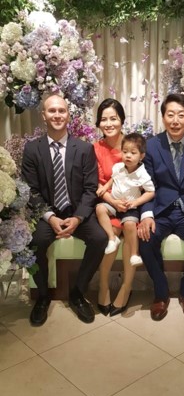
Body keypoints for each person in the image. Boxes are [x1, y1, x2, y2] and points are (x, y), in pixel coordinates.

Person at [22, 95, 108, 326]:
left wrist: (78, 218)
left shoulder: (84, 148)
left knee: (100, 238)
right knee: (33, 242)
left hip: (77, 212)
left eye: (62, 111)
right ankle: (43, 295)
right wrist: (49, 218)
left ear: (68, 114)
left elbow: (91, 189)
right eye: (52, 111)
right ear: (44, 115)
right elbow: (30, 190)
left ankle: (77, 293)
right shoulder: (32, 149)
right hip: (47, 213)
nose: (57, 115)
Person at [138, 93, 184, 321]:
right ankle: (160, 293)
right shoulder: (151, 146)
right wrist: (147, 214)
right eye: (170, 114)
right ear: (163, 117)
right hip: (161, 210)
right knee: (146, 239)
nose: (175, 120)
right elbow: (146, 184)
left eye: (181, 115)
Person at [94, 99, 137, 317]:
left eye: (113, 118)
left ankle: (126, 288)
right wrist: (113, 202)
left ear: (121, 120)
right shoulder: (95, 148)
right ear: (98, 122)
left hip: (131, 202)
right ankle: (103, 287)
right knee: (113, 235)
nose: (109, 123)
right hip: (108, 202)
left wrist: (126, 203)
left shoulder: (132, 145)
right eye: (104, 119)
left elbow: (141, 178)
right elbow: (97, 183)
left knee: (129, 230)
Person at [96, 132, 155, 266]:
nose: (128, 155)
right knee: (100, 208)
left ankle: (135, 254)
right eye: (125, 152)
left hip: (130, 207)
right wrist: (105, 187)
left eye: (133, 153)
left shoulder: (143, 174)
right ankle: (112, 238)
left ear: (142, 156)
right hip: (115, 204)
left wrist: (136, 202)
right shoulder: (118, 167)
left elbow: (151, 192)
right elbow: (113, 179)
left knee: (129, 225)